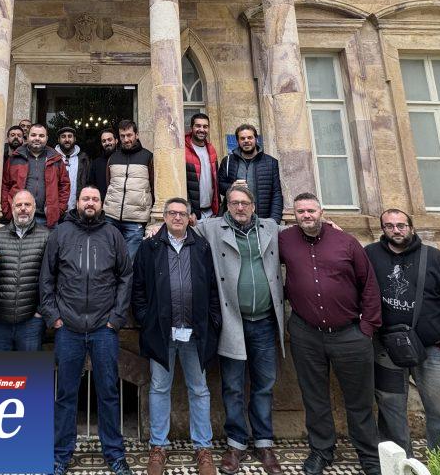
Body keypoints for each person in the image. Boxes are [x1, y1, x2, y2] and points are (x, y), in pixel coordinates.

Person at [280, 193, 382, 475]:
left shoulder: (346, 241)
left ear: (321, 212)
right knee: (314, 398)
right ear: (294, 215)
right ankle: (321, 451)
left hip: (350, 334)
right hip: (306, 333)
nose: (306, 215)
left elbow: (369, 284)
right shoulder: (284, 240)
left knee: (359, 400)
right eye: (301, 211)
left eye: (311, 210)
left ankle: (369, 456)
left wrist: (367, 327)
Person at [365, 208, 440, 455]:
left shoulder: (436, 258)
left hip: (434, 348)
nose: (396, 230)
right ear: (382, 229)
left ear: (411, 227)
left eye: (401, 225)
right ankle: (399, 464)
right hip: (388, 347)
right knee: (390, 409)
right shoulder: (370, 255)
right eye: (389, 226)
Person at [40, 186, 134, 475]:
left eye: (95, 199)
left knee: (108, 392)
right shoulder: (61, 233)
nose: (90, 203)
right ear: (77, 202)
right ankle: (61, 454)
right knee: (66, 394)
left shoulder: (113, 235)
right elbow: (47, 277)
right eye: (85, 199)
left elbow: (125, 276)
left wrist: (116, 318)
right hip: (68, 327)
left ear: (101, 204)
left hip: (104, 328)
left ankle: (114, 453)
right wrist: (54, 317)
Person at [195, 186, 286, 475]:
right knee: (232, 386)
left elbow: (302, 231)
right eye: (234, 203)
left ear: (253, 206)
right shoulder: (212, 228)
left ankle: (264, 442)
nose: (239, 208)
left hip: (265, 320)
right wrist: (155, 228)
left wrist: (331, 226)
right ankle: (236, 443)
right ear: (227, 206)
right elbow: (181, 227)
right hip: (232, 320)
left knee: (264, 384)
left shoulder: (270, 227)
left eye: (245, 203)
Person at [133, 197, 221, 475]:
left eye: (182, 213)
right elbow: (138, 288)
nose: (177, 217)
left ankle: (203, 448)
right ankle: (158, 446)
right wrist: (146, 319)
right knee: (159, 388)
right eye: (172, 213)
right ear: (164, 217)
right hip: (162, 332)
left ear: (190, 217)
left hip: (195, 333)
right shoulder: (149, 247)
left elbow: (212, 288)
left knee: (199, 389)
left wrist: (213, 320)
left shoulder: (201, 246)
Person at [0, 190, 50, 351]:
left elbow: (51, 277)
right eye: (19, 205)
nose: (23, 208)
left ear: (34, 208)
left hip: (31, 321)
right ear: (12, 208)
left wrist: (40, 311)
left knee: (29, 367)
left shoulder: (47, 236)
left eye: (27, 205)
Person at [2, 123, 70, 227]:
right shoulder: (15, 158)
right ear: (27, 137)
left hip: (47, 219)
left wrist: (58, 209)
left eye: (41, 136)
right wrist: (7, 210)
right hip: (19, 216)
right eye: (33, 135)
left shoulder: (56, 159)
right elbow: (5, 185)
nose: (37, 138)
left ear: (46, 138)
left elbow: (64, 186)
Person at [103, 119, 154, 257]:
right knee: (109, 258)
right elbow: (109, 184)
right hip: (111, 217)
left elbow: (153, 187)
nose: (126, 139)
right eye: (122, 136)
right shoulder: (113, 158)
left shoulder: (148, 157)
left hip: (135, 220)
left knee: (130, 261)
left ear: (136, 135)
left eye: (129, 135)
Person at [217, 124, 283, 221]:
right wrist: (231, 187)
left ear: (256, 139)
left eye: (249, 137)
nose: (246, 141)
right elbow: (219, 186)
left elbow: (276, 193)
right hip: (234, 218)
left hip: (261, 217)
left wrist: (274, 220)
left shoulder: (271, 162)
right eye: (242, 138)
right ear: (238, 141)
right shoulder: (228, 161)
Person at [185, 113, 220, 220]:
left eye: (205, 126)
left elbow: (215, 182)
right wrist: (188, 211)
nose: (202, 129)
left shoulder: (211, 149)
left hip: (211, 212)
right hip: (193, 215)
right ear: (191, 128)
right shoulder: (183, 150)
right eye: (198, 126)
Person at [55, 125, 90, 212]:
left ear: (75, 139)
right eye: (63, 136)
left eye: (70, 136)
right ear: (58, 140)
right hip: (56, 209)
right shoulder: (52, 157)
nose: (67, 139)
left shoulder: (83, 158)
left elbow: (87, 182)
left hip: (77, 210)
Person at [88, 128, 117, 202]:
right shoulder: (96, 163)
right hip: (102, 204)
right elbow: (92, 186)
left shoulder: (123, 160)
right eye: (104, 141)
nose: (107, 143)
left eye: (109, 140)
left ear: (116, 141)